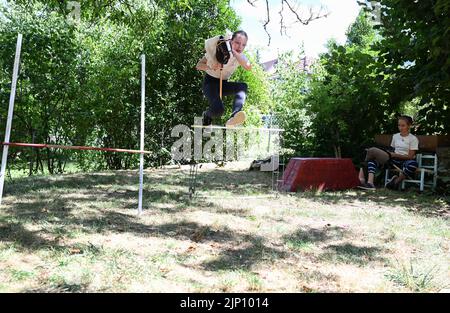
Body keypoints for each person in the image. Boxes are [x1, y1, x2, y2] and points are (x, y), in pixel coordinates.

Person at [195, 30, 252, 127]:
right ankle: (206, 116)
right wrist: (210, 67)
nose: (240, 47)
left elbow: (248, 67)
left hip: (223, 83)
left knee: (243, 86)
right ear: (231, 40)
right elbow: (198, 65)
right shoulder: (218, 50)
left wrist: (234, 52)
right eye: (237, 43)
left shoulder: (240, 56)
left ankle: (234, 116)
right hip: (210, 83)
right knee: (219, 110)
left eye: (243, 45)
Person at [358, 115, 419, 191]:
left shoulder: (413, 139)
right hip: (393, 160)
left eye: (403, 125)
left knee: (413, 164)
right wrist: (391, 154)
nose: (400, 128)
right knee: (372, 160)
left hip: (405, 160)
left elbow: (410, 156)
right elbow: (392, 150)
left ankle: (395, 182)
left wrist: (395, 155)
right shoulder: (395, 136)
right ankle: (370, 183)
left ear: (409, 126)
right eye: (399, 125)